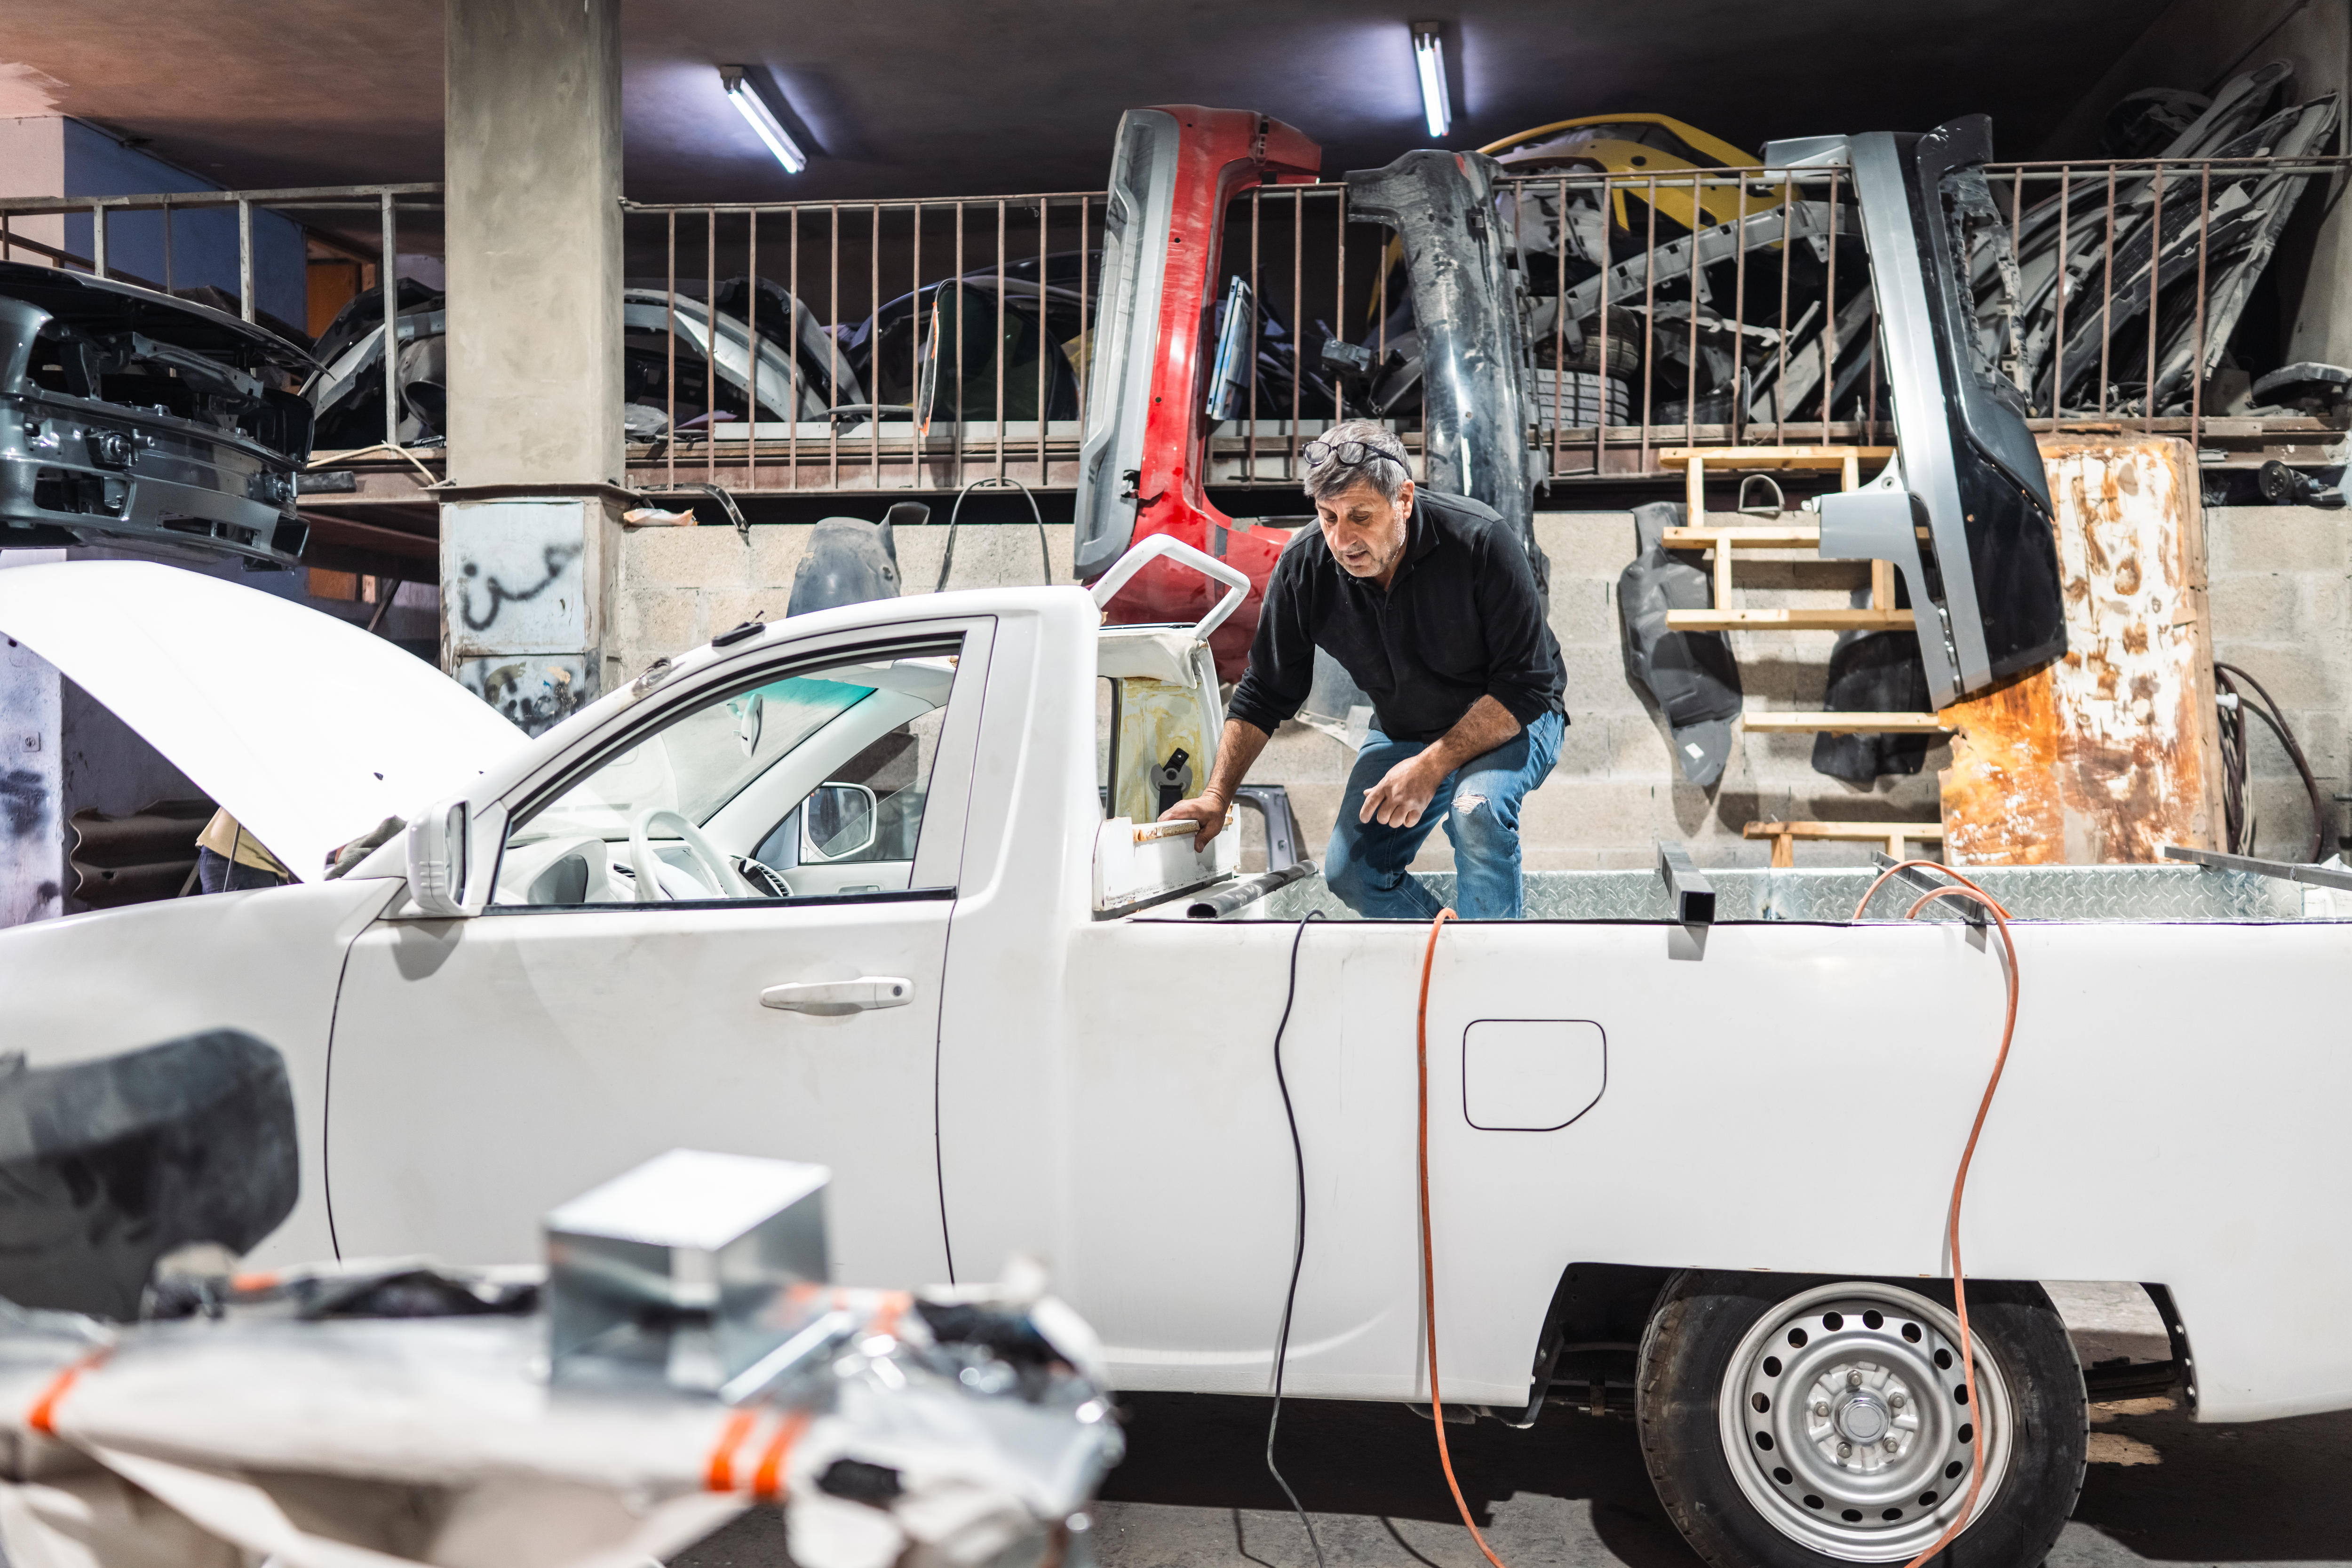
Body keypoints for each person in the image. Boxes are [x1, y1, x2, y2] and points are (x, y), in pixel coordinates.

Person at [1158, 420, 1565, 919]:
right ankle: (1446, 957)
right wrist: (1216, 796)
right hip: (1406, 728)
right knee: (1350, 873)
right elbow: (1265, 692)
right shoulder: (1305, 566)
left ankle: (1490, 973)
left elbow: (1525, 686)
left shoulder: (1479, 540)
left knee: (1474, 811)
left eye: (1360, 516)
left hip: (1516, 717)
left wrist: (1433, 764)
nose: (1341, 539)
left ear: (1404, 499)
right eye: (1327, 517)